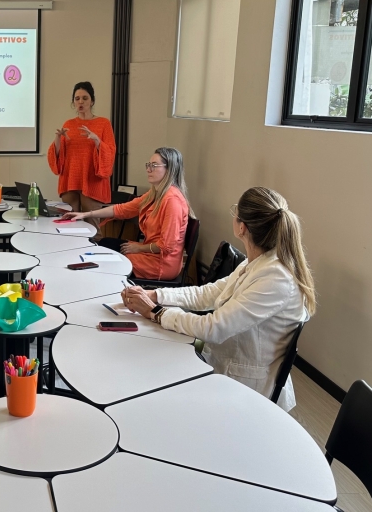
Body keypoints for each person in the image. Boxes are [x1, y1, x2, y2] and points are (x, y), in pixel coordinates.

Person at [121, 187, 316, 412]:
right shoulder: (257, 263)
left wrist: (156, 312)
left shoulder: (276, 278)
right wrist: (155, 295)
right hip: (224, 364)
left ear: (241, 227)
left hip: (246, 391)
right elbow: (208, 293)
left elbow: (214, 328)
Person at [63, 147, 193, 281]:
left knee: (104, 262)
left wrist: (139, 248)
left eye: (154, 165)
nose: (148, 169)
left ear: (170, 169)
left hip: (160, 264)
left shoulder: (172, 201)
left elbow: (167, 246)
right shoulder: (155, 193)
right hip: (149, 253)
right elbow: (122, 209)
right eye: (148, 165)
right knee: (105, 243)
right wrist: (86, 214)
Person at [48, 81, 116, 234]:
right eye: (77, 98)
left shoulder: (103, 123)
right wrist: (58, 140)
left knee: (91, 228)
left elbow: (110, 152)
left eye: (85, 98)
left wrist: (97, 141)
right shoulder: (69, 124)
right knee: (69, 225)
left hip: (92, 182)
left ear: (92, 101)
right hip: (70, 181)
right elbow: (58, 156)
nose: (80, 102)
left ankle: (93, 258)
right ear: (73, 102)